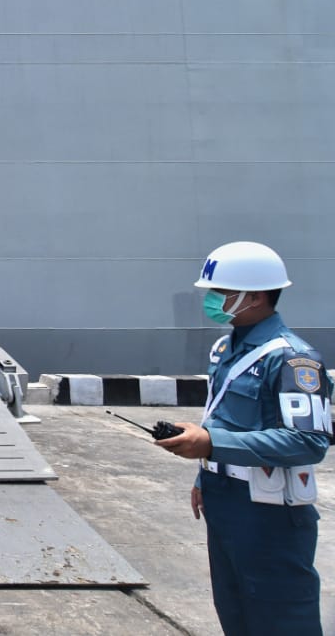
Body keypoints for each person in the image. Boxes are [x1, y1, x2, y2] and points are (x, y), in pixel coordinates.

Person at [156, 241, 330, 636]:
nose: (212, 300)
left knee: (281, 619)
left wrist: (212, 446)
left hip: (269, 514)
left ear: (254, 296)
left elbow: (308, 443)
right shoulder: (225, 350)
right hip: (225, 501)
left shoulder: (291, 359)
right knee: (235, 613)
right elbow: (221, 417)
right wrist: (206, 474)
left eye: (221, 292)